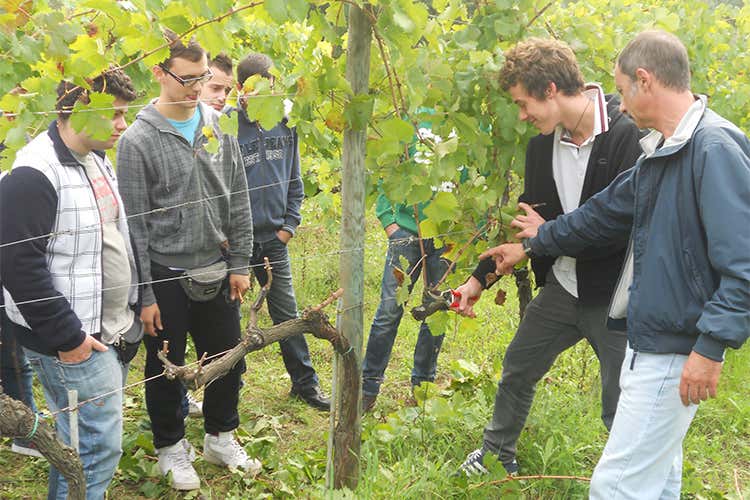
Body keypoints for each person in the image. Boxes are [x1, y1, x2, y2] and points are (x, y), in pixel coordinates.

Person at [477, 30, 750, 498]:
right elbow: (599, 215)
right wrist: (538, 240)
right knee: (657, 481)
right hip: (649, 334)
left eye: (622, 90)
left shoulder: (713, 147)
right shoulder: (662, 151)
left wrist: (710, 346)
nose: (618, 104)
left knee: (616, 486)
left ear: (645, 80)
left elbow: (744, 263)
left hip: (674, 344)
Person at [455, 38, 642, 476]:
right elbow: (530, 227)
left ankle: (627, 479)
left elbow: (616, 230)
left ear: (551, 90)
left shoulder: (627, 135)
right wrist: (478, 279)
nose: (522, 116)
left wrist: (545, 236)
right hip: (563, 288)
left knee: (620, 401)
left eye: (524, 103)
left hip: (616, 298)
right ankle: (497, 457)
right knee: (518, 367)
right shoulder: (541, 147)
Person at [116, 32, 259, 491]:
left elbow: (239, 198)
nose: (198, 89)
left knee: (228, 357)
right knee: (165, 364)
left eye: (203, 78)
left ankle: (221, 436)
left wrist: (241, 263)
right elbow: (135, 225)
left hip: (217, 266)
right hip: (165, 273)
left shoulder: (220, 126)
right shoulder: (137, 140)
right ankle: (170, 446)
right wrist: (145, 293)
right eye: (188, 79)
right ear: (159, 74)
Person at [0, 69, 141, 499]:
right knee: (93, 450)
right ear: (81, 108)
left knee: (80, 444)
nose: (122, 125)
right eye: (114, 114)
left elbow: (114, 238)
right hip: (73, 341)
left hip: (106, 330)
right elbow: (18, 265)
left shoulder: (95, 158)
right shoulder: (33, 173)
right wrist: (68, 338)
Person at [233, 53, 330, 411]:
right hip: (237, 241)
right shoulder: (227, 127)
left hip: (274, 238)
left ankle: (305, 384)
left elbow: (295, 180)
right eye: (260, 87)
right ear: (241, 89)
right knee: (229, 318)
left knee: (287, 314)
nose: (269, 94)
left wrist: (288, 227)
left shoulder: (286, 123)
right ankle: (231, 385)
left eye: (272, 86)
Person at [360, 130, 450, 413]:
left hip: (449, 238)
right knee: (389, 310)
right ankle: (367, 388)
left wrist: (470, 233)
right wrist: (390, 223)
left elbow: (480, 174)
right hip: (407, 234)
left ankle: (422, 388)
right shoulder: (412, 119)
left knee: (436, 312)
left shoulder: (472, 123)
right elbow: (389, 171)